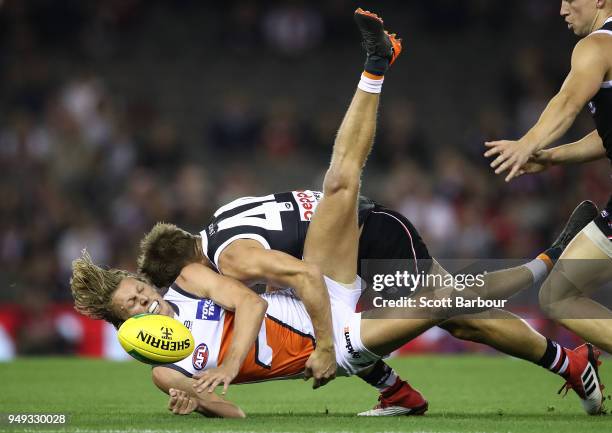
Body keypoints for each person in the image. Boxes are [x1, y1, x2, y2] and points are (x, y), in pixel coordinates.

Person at [71, 8, 603, 417]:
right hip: (330, 303)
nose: (149, 299)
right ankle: (552, 306)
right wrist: (199, 400)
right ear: (124, 324)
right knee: (445, 302)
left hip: (340, 267)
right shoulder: (176, 341)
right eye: (137, 303)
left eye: (141, 289)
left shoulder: (211, 268)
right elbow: (239, 389)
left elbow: (266, 297)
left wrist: (242, 363)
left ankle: (376, 69)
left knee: (434, 285)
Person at [484, 0, 612, 405]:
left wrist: (527, 144)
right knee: (559, 292)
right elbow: (607, 136)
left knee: (558, 295)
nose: (561, 9)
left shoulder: (598, 45)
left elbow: (568, 102)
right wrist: (552, 156)